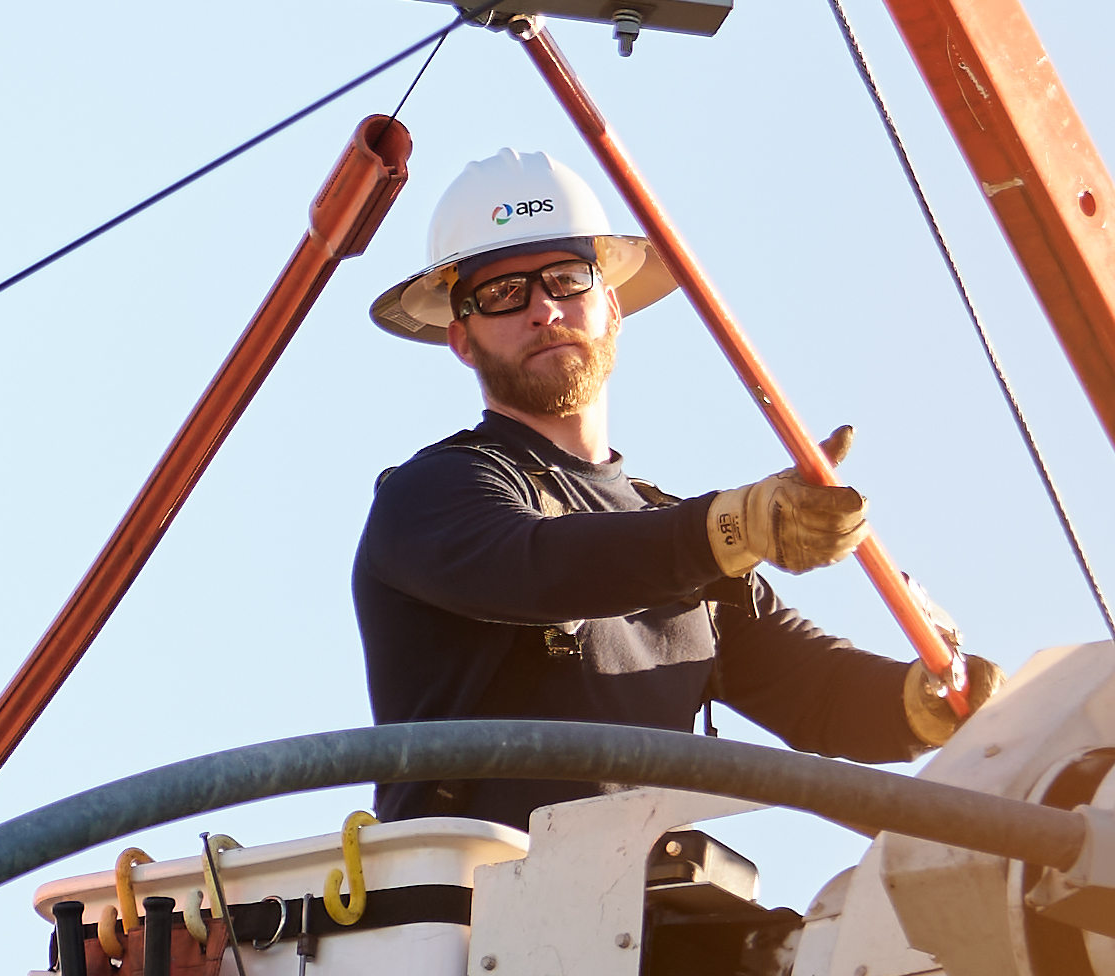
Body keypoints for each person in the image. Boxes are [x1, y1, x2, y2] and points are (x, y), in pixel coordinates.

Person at [355, 149, 1001, 829]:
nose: (543, 309)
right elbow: (538, 566)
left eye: (566, 279)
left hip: (640, 907)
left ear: (610, 306)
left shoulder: (671, 533)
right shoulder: (435, 493)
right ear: (462, 339)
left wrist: (923, 699)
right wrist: (733, 528)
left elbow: (813, 691)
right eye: (503, 293)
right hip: (470, 910)